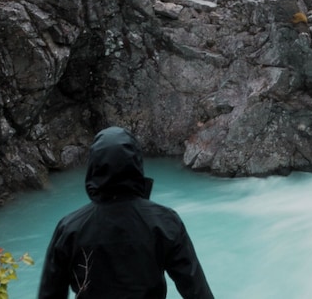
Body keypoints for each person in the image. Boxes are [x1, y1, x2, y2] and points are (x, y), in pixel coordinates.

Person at [38, 126, 214, 299]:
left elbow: (50, 294)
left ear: (94, 167)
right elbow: (196, 290)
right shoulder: (165, 222)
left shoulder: (70, 229)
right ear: (136, 163)